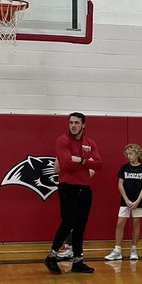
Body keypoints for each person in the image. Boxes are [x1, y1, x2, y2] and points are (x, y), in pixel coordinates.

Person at [44, 112, 102, 274]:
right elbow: (67, 164)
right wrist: (85, 162)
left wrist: (80, 160)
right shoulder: (63, 140)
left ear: (83, 125)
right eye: (71, 123)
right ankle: (52, 256)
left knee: (80, 226)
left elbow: (99, 164)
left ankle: (77, 261)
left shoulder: (90, 143)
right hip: (68, 187)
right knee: (68, 222)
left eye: (77, 123)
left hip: (85, 189)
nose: (73, 126)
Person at [104, 143, 142, 261]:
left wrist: (137, 201)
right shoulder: (124, 168)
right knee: (120, 223)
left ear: (137, 154)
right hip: (125, 201)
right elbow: (120, 185)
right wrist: (126, 199)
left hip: (138, 202)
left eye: (131, 153)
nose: (129, 156)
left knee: (136, 223)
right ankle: (117, 250)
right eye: (127, 154)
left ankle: (134, 249)